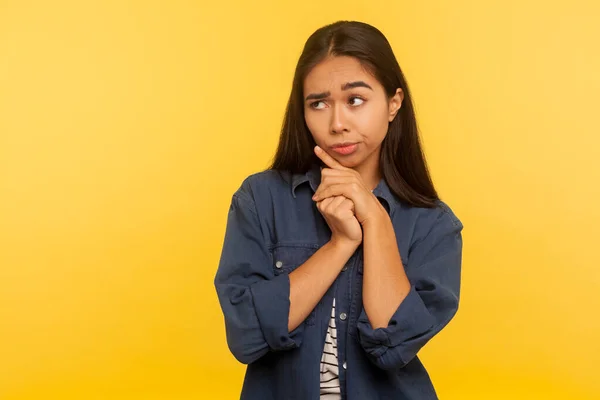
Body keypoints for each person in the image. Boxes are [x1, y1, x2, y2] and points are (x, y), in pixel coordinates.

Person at [214, 20, 463, 400]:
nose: (337, 123)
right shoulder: (261, 200)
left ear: (394, 103)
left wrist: (375, 217)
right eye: (318, 103)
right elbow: (247, 334)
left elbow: (392, 342)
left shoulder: (433, 224)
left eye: (356, 100)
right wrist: (341, 244)